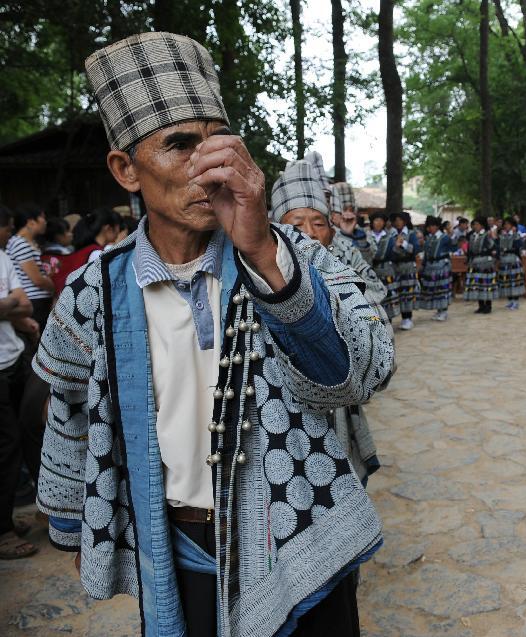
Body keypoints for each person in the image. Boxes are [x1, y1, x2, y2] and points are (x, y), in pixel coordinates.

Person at [34, 32, 393, 637]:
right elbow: (68, 408)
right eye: (179, 146)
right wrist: (74, 526)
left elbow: (364, 374)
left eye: (218, 143)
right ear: (125, 169)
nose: (210, 167)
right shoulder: (94, 288)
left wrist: (263, 253)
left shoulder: (293, 256)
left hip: (301, 537)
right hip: (175, 550)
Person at [270, 159, 386, 487]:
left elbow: (374, 299)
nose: (307, 232)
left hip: (336, 400)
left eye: (317, 222)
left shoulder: (341, 259)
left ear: (330, 228)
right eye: (296, 222)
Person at [0, 205, 39, 560]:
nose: (10, 234)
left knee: (24, 434)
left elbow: (24, 304)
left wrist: (10, 307)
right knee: (5, 446)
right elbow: (18, 302)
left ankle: (7, 518)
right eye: (7, 227)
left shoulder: (2, 257)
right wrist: (11, 304)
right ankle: (2, 531)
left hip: (12, 357)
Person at [51, 208, 122, 294]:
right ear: (108, 229)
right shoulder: (97, 254)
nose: (119, 233)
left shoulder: (84, 250)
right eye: (119, 228)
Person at [6, 205, 54, 330]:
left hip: (37, 300)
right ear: (31, 222)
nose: (45, 222)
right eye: (42, 218)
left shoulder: (27, 243)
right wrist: (53, 286)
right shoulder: (20, 243)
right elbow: (37, 279)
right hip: (34, 301)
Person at [388, 211, 420, 330]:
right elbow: (390, 251)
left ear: (405, 221)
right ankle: (401, 316)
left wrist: (404, 244)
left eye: (400, 220)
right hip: (395, 268)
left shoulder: (411, 234)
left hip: (407, 267)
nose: (397, 222)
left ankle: (407, 318)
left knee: (408, 293)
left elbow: (416, 249)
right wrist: (396, 246)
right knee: (398, 293)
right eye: (395, 220)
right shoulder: (391, 234)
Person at [418, 215, 453, 321]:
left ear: (437, 226)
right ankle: (439, 310)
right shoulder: (429, 238)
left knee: (442, 288)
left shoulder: (445, 237)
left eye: (432, 226)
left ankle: (444, 311)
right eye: (429, 226)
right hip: (431, 266)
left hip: (442, 265)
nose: (430, 228)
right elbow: (426, 253)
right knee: (434, 289)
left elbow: (453, 247)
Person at [464, 217, 498, 313]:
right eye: (474, 224)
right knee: (477, 284)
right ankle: (481, 305)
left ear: (482, 225)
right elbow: (470, 250)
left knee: (486, 284)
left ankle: (488, 306)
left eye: (477, 224)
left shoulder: (487, 235)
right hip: (475, 262)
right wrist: (469, 259)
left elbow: (493, 247)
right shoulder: (472, 236)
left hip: (485, 262)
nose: (475, 226)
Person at [369, 212, 400, 321]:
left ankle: (389, 321)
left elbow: (394, 255)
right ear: (372, 222)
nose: (379, 223)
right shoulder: (366, 236)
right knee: (373, 297)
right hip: (371, 271)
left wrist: (397, 248)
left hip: (386, 270)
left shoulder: (389, 237)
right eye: (376, 220)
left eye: (381, 221)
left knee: (388, 296)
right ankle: (375, 322)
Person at [497, 217, 525, 310]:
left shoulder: (516, 235)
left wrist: (513, 234)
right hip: (504, 260)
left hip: (513, 259)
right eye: (505, 224)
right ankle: (510, 300)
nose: (506, 226)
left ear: (513, 226)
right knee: (506, 281)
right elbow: (499, 247)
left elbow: (518, 246)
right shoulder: (502, 236)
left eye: (508, 224)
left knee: (515, 281)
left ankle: (516, 301)